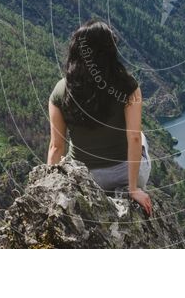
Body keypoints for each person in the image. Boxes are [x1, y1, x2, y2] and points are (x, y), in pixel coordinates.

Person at [46, 19, 152, 215]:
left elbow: (56, 147)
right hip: (124, 176)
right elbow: (134, 138)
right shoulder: (127, 86)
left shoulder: (61, 91)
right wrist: (133, 189)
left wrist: (48, 189)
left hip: (85, 179)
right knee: (142, 137)